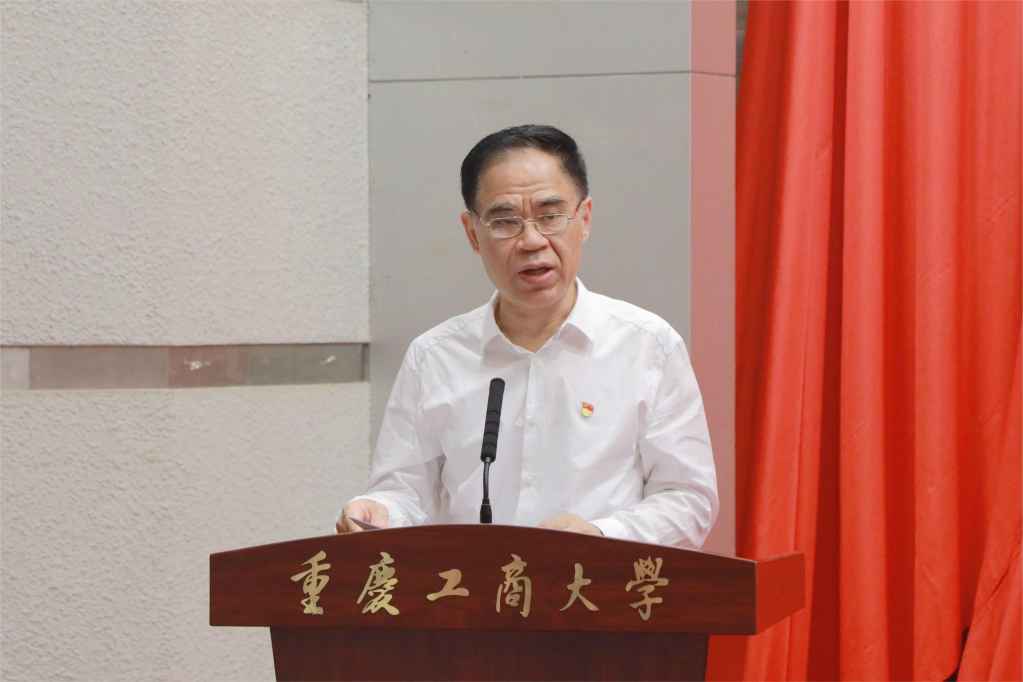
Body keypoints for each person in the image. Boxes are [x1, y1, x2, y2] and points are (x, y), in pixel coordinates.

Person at [336, 124, 718, 547]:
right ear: (472, 233)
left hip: (598, 585)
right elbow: (404, 490)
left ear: (584, 219)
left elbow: (689, 499)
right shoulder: (435, 357)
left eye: (550, 216)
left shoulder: (647, 346)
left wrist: (601, 535)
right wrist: (378, 510)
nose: (532, 241)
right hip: (473, 588)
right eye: (505, 221)